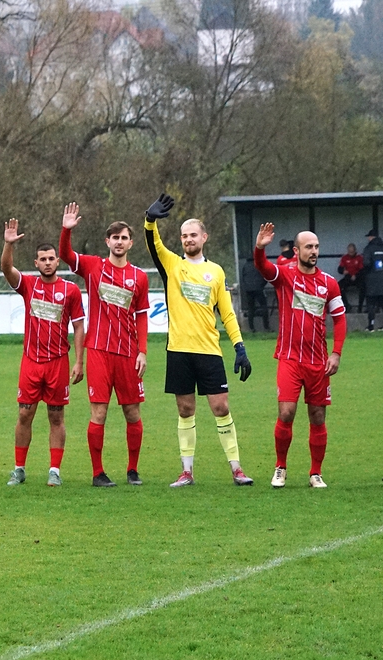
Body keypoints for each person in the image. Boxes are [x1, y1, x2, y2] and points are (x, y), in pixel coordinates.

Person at [142, 194, 255, 488]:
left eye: (193, 235)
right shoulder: (172, 264)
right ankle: (187, 472)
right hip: (178, 351)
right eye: (184, 236)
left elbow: (227, 313)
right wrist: (150, 220)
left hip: (209, 351)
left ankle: (237, 469)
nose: (188, 239)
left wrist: (239, 347)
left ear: (204, 237)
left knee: (221, 408)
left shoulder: (215, 271)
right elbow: (153, 244)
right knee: (185, 410)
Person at [59, 203, 148, 487]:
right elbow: (65, 255)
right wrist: (66, 230)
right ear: (107, 241)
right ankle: (98, 473)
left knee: (132, 412)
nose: (119, 242)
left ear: (131, 243)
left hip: (128, 353)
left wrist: (143, 351)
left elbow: (142, 315)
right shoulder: (93, 266)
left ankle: (132, 470)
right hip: (98, 350)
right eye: (115, 238)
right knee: (99, 413)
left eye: (124, 238)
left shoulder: (139, 277)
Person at [254, 225, 346, 488]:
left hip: (318, 361)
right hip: (290, 358)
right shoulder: (285, 276)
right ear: (296, 251)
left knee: (317, 416)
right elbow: (263, 268)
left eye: (316, 247)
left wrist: (336, 353)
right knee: (286, 412)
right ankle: (280, 467)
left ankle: (315, 473)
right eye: (308, 247)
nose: (314, 251)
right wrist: (260, 248)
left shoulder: (329, 283)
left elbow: (340, 320)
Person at [1, 218, 85, 487]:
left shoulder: (70, 290)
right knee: (24, 414)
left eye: (51, 258)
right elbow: (6, 269)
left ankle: (54, 471)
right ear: (36, 263)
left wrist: (79, 361)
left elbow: (79, 326)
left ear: (57, 261)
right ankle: (19, 469)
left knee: (56, 416)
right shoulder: (28, 285)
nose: (47, 263)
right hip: (31, 362)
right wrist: (8, 244)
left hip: (58, 362)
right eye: (43, 259)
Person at [240, 257, 270, 332]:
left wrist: (246, 287)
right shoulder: (258, 264)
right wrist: (262, 285)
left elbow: (242, 278)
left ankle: (251, 328)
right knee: (264, 306)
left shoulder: (245, 266)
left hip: (249, 290)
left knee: (251, 308)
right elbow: (265, 276)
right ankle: (266, 327)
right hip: (259, 288)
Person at [362, 229, 383, 331]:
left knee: (371, 304)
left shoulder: (368, 249)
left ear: (371, 237)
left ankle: (371, 325)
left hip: (372, 280)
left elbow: (366, 263)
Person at [337, 243, 364, 313]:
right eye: (349, 252)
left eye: (352, 252)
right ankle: (347, 305)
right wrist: (343, 271)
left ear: (355, 251)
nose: (351, 253)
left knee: (363, 288)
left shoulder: (359, 258)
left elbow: (362, 270)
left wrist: (356, 275)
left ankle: (360, 308)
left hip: (357, 278)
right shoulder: (345, 258)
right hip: (348, 277)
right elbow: (340, 269)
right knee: (337, 287)